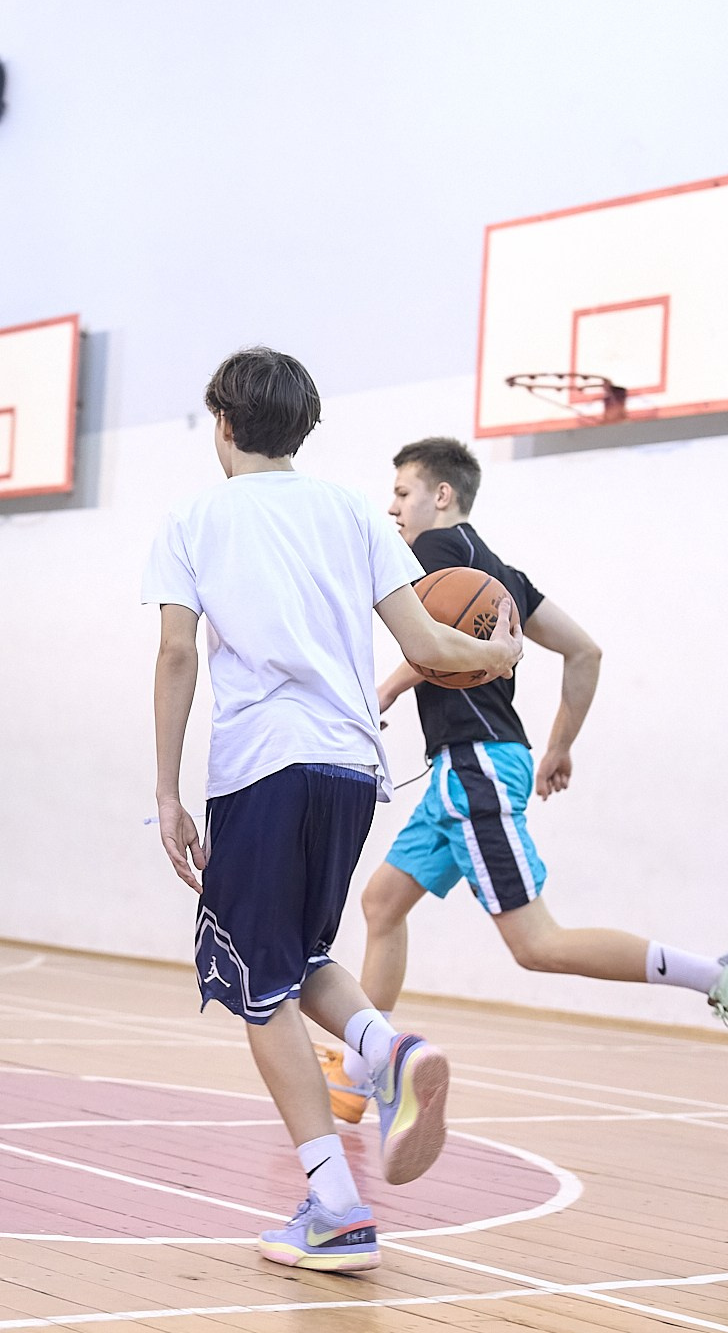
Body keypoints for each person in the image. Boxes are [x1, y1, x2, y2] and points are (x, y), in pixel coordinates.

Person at [148, 349, 522, 1273]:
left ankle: (339, 1204)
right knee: (300, 956)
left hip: (264, 767)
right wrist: (500, 654)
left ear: (224, 426)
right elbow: (431, 639)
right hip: (354, 768)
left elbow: (175, 658)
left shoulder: (193, 518)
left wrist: (165, 791)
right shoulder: (355, 511)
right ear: (303, 428)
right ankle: (382, 1047)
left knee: (251, 982)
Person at [321, 436, 728, 1124]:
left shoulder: (437, 553)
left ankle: (723, 976)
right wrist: (558, 746)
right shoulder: (503, 570)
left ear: (442, 495)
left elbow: (429, 644)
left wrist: (379, 695)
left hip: (475, 762)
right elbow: (584, 650)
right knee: (382, 903)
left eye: (403, 492)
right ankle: (362, 1073)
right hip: (474, 763)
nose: (393, 507)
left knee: (536, 944)